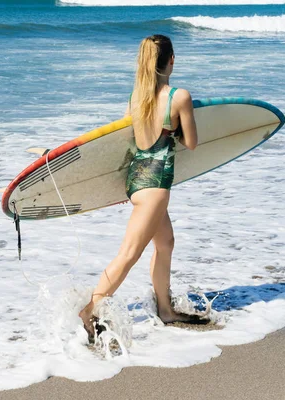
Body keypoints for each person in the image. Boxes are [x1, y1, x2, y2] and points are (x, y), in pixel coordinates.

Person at [79, 34, 204, 341]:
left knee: (166, 243)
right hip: (156, 185)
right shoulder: (179, 97)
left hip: (136, 181)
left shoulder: (135, 98)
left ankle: (165, 309)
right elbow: (192, 143)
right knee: (129, 253)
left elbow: (125, 140)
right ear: (171, 61)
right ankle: (90, 310)